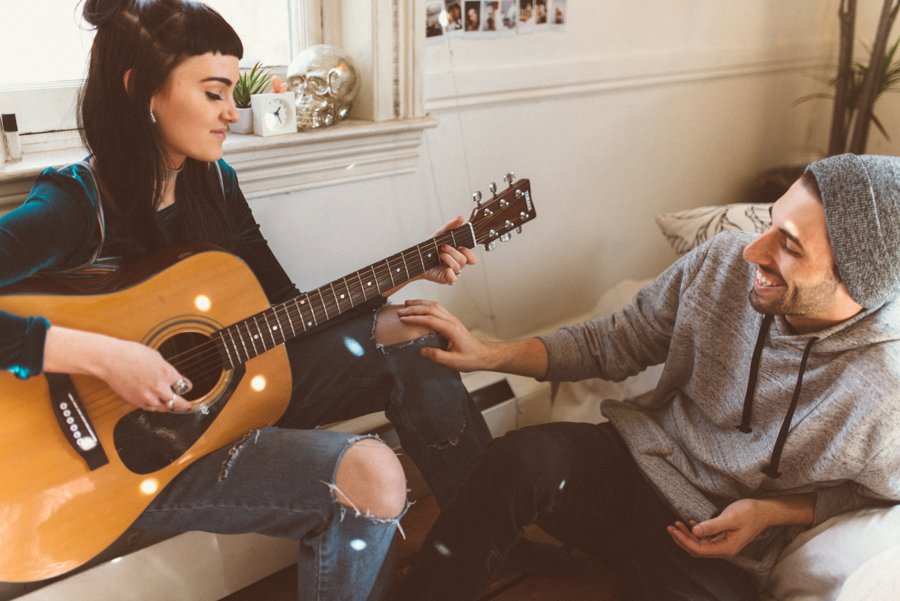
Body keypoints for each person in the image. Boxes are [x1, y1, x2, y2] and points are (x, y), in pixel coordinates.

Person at [0, 1, 490, 599]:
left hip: (230, 394)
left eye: (233, 91)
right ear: (140, 92)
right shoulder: (76, 205)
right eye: (214, 93)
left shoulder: (215, 182)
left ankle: (479, 546)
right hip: (127, 466)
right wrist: (105, 358)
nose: (234, 112)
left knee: (416, 331)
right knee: (374, 473)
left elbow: (285, 309)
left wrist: (409, 271)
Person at [394, 154, 900, 600]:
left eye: (788, 246)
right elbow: (613, 342)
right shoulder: (723, 263)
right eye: (771, 222)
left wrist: (773, 513)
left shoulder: (885, 388)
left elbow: (877, 493)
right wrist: (489, 353)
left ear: (856, 281)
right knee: (517, 459)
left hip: (720, 547)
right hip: (635, 467)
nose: (753, 251)